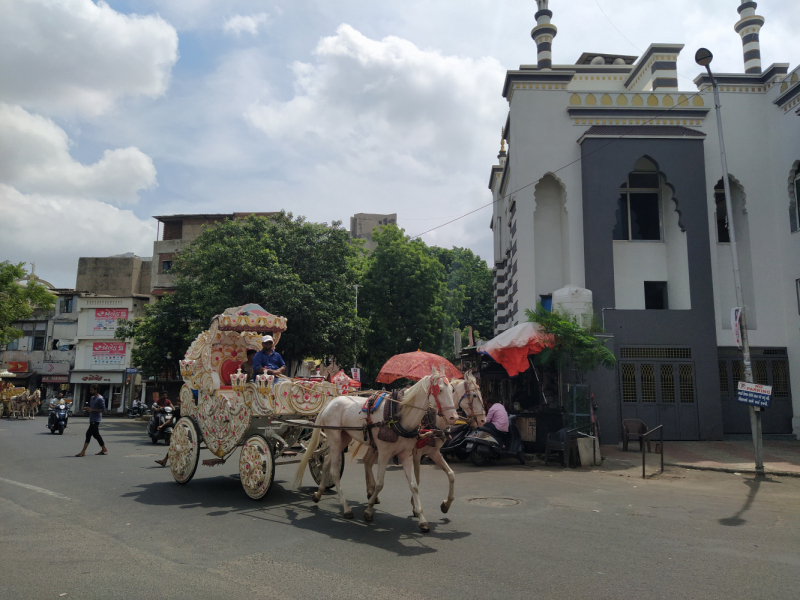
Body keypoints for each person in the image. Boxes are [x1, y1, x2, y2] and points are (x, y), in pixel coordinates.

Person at [75, 385, 107, 456]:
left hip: (96, 419)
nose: (90, 391)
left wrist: (91, 410)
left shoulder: (100, 398)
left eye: (92, 390)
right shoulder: (92, 398)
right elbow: (92, 407)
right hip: (92, 418)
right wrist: (88, 408)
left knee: (88, 434)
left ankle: (83, 451)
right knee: (96, 435)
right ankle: (103, 448)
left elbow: (103, 410)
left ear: (96, 390)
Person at [155, 397, 182, 466]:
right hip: (178, 430)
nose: (178, 403)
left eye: (179, 401)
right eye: (178, 401)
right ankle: (165, 460)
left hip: (182, 431)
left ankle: (165, 460)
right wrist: (162, 426)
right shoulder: (177, 411)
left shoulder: (186, 411)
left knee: (175, 446)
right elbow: (170, 420)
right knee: (174, 446)